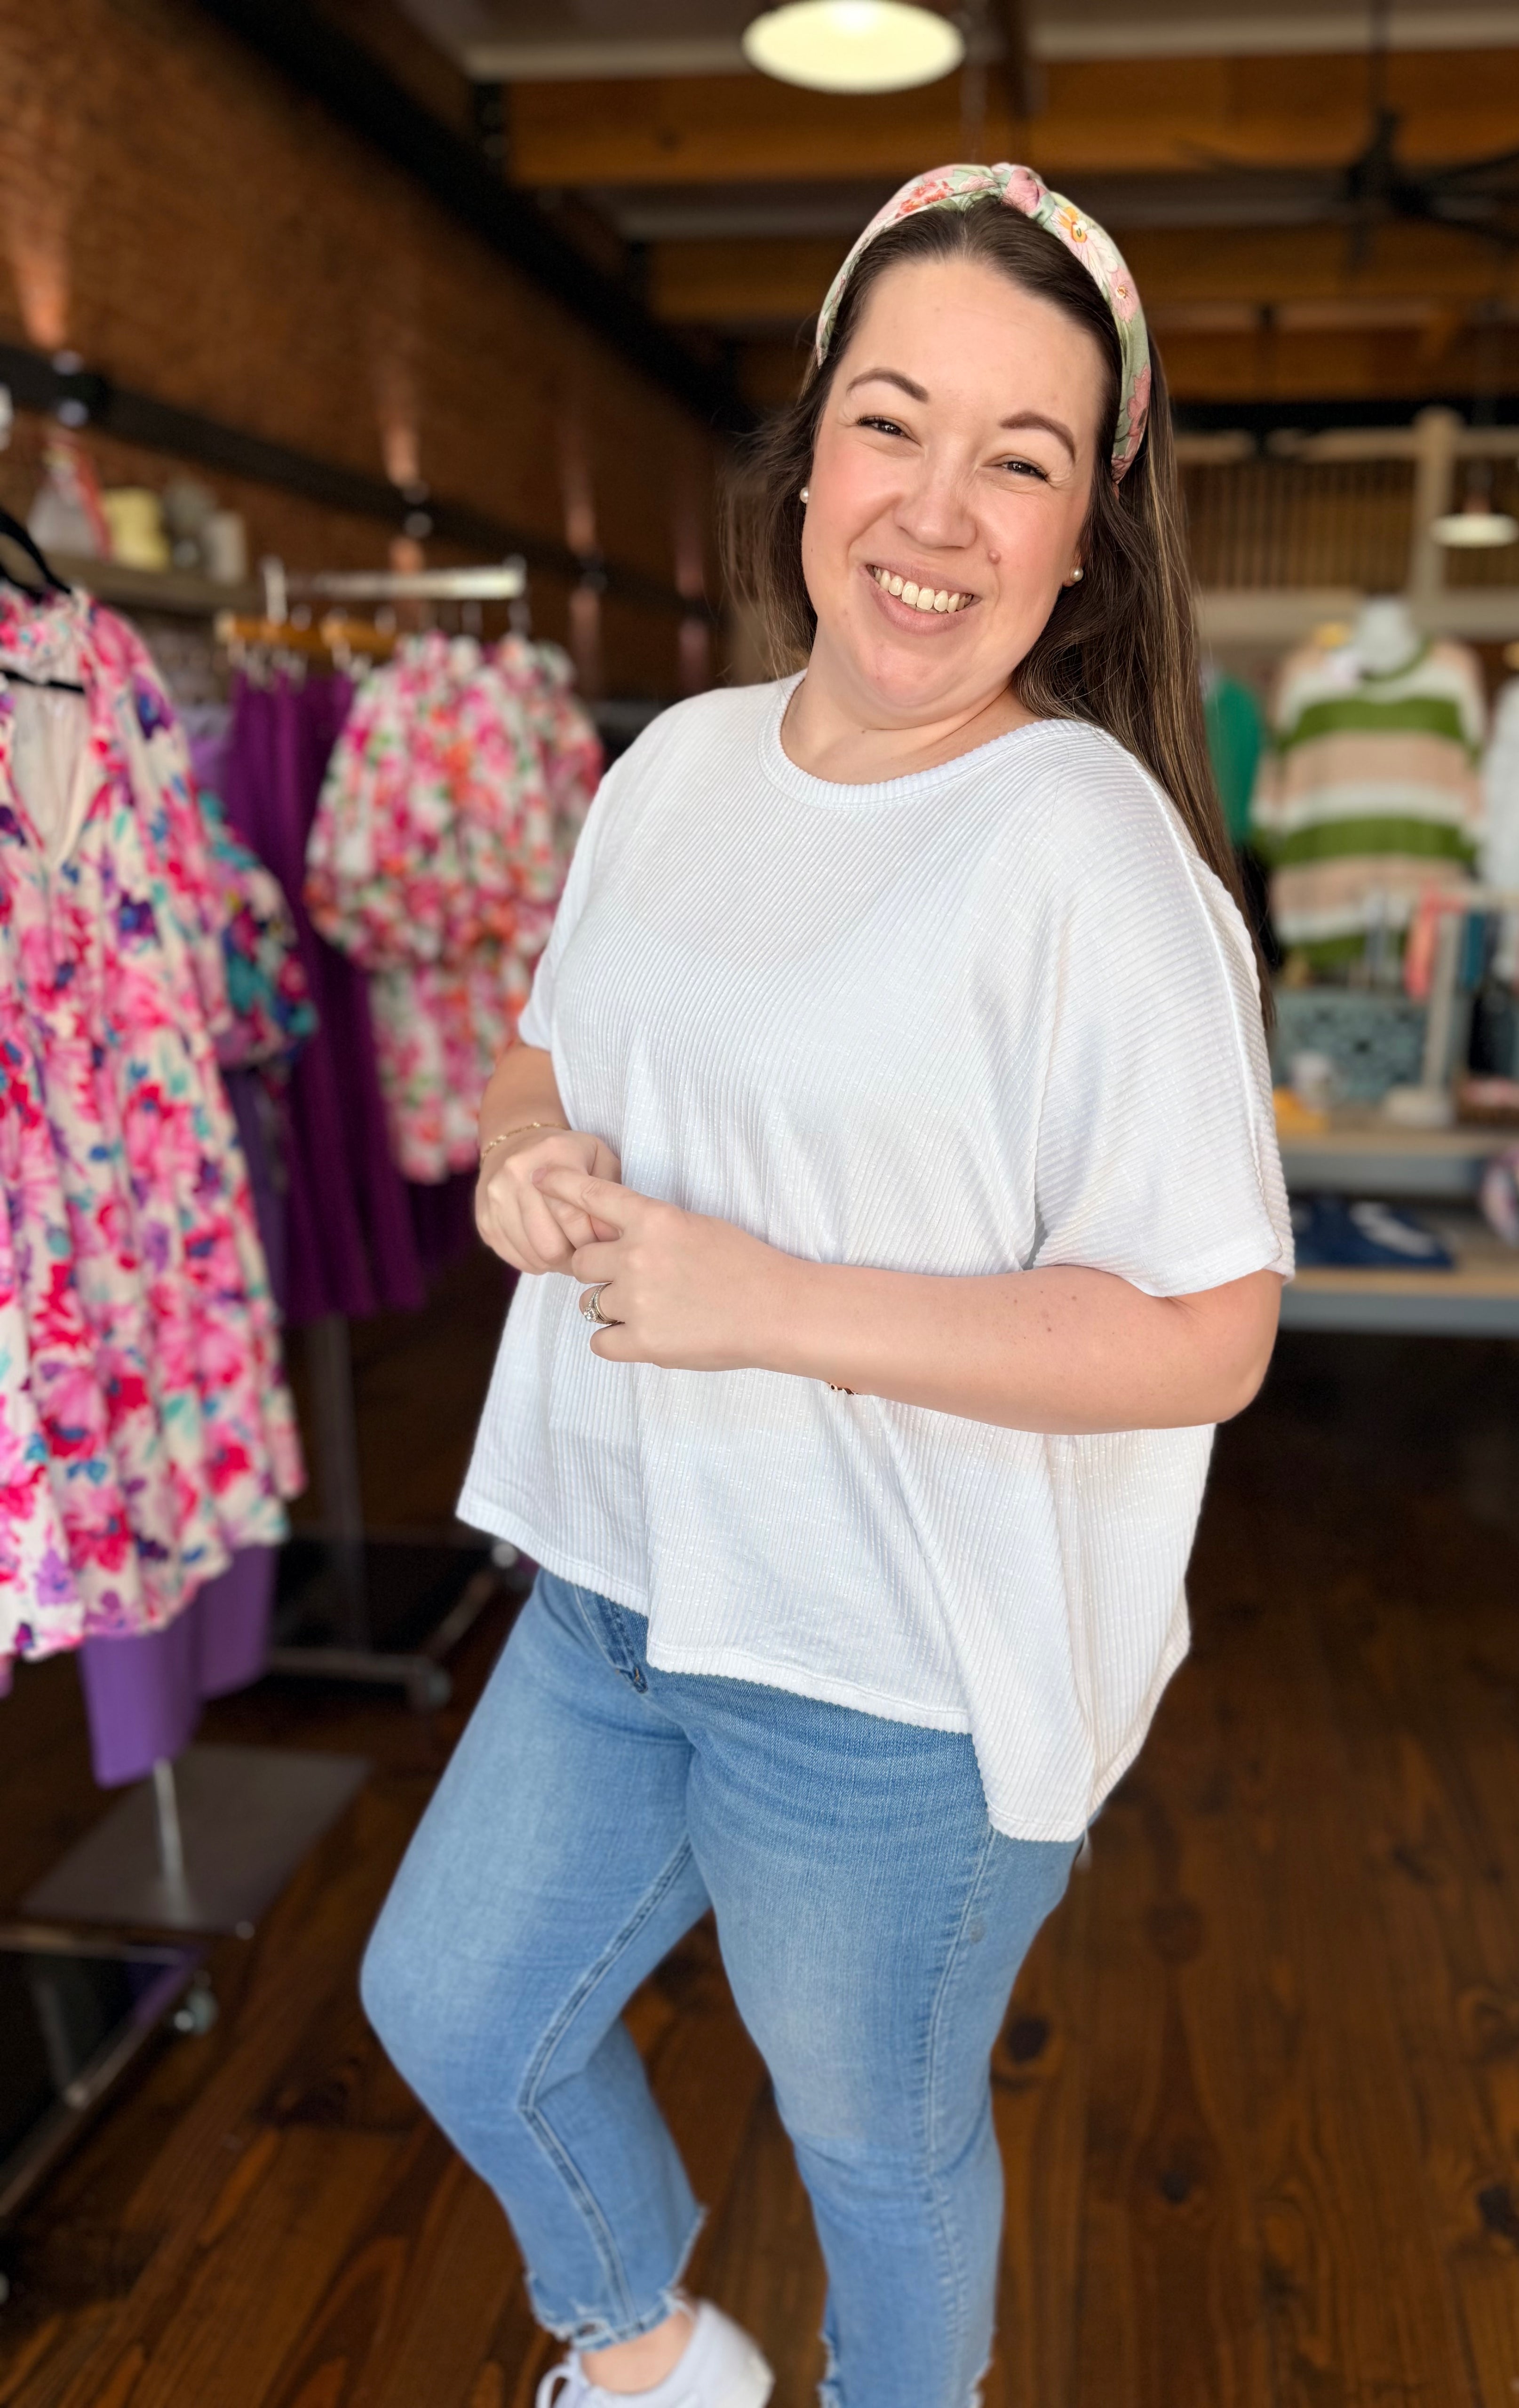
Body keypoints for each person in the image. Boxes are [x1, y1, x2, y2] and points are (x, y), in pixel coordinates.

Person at [360, 162, 1291, 2408]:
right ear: (810, 444)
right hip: (617, 1576)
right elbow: (548, 1051)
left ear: (1092, 527)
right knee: (455, 2002)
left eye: (1022, 458)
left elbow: (1206, 1327)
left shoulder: (1091, 853)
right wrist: (521, 1161)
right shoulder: (675, 765)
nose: (938, 512)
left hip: (892, 1671)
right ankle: (656, 2352)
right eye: (896, 423)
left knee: (874, 2138)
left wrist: (769, 1295)